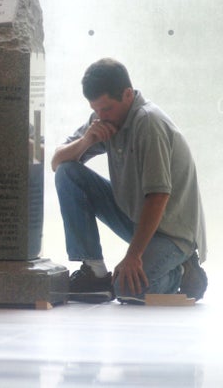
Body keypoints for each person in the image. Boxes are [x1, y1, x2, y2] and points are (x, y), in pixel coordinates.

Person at [51, 58, 207, 304]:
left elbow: (158, 196)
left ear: (127, 94)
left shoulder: (148, 122)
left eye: (106, 109)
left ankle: (182, 271)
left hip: (172, 234)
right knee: (68, 172)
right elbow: (56, 162)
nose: (100, 116)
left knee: (129, 290)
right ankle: (94, 272)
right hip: (137, 217)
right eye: (96, 110)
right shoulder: (106, 119)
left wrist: (133, 255)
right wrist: (86, 141)